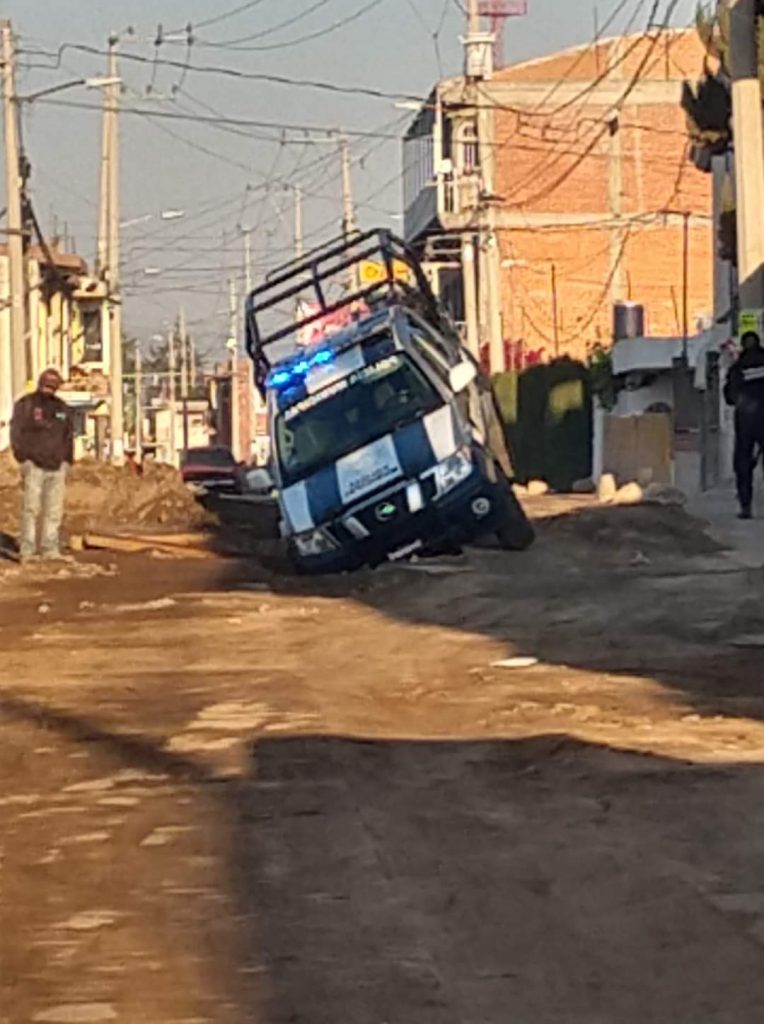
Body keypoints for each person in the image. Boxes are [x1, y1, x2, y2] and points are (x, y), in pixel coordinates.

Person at [10, 368, 74, 562]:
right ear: (40, 383)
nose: (50, 388)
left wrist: (67, 461)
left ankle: (49, 548)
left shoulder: (62, 408)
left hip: (57, 466)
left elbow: (68, 436)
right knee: (31, 509)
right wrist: (23, 458)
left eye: (54, 385)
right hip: (34, 465)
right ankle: (27, 550)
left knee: (54, 510)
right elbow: (16, 432)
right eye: (47, 383)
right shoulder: (26, 404)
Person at [724, 331, 764, 519]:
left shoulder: (737, 368)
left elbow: (730, 397)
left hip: (746, 421)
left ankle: (746, 505)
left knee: (743, 463)